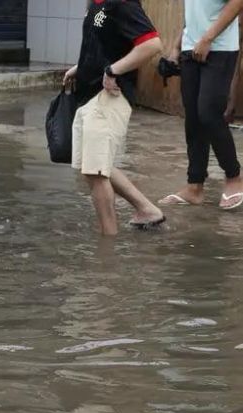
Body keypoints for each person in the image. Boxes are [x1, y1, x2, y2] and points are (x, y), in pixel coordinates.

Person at [64, 0, 166, 236]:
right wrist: (81, 67)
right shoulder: (96, 4)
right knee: (93, 166)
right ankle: (147, 210)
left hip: (110, 96)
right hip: (90, 95)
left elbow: (151, 44)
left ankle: (107, 244)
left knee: (96, 171)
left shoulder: (122, 3)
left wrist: (113, 70)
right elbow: (105, 44)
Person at [159, 0, 243, 209]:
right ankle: (194, 186)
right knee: (193, 119)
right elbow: (194, 13)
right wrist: (177, 46)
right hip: (191, 48)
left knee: (209, 114)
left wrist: (207, 38)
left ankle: (234, 176)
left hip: (219, 48)